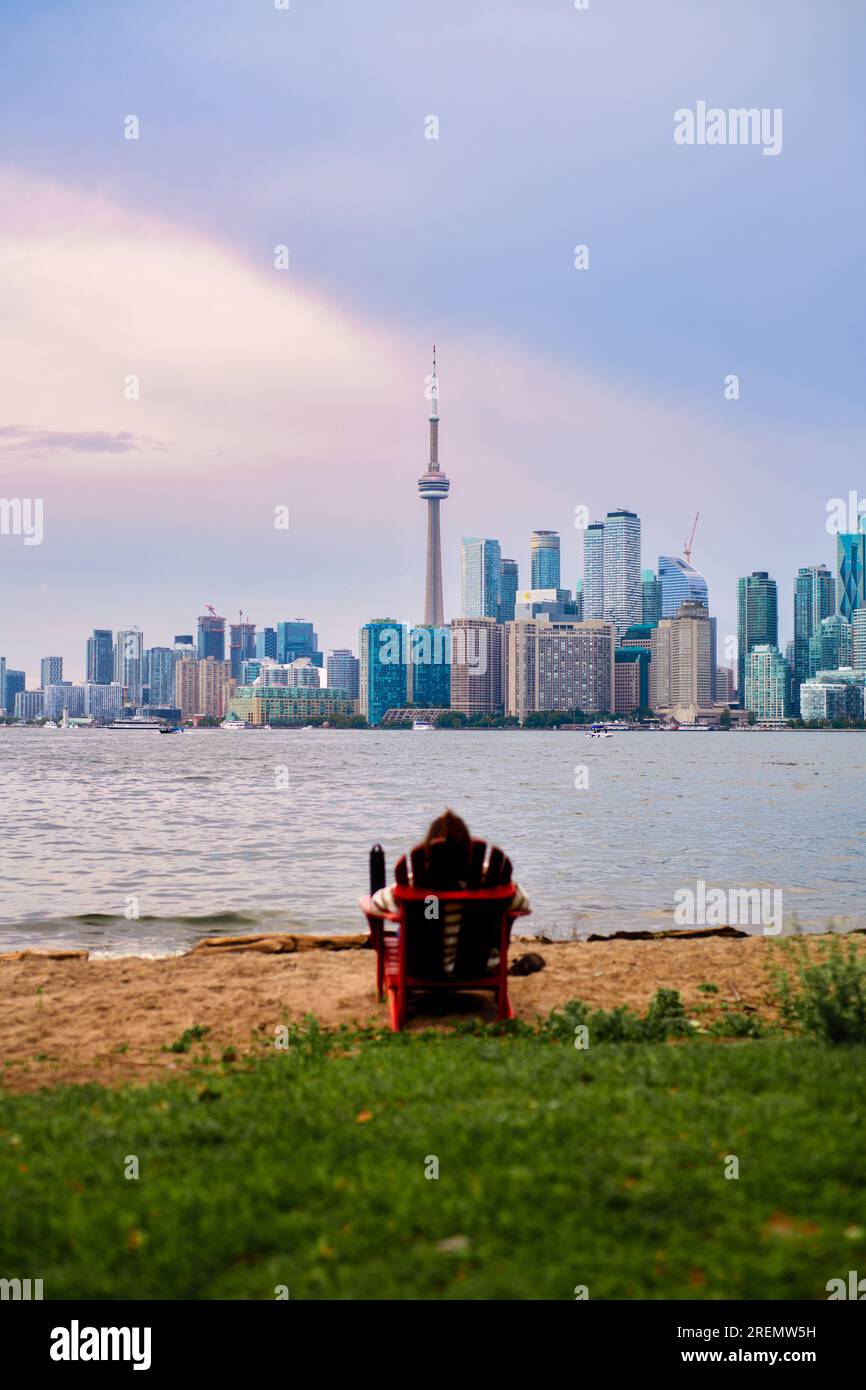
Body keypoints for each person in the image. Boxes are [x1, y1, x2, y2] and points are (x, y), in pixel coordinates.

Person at [371, 810, 529, 974]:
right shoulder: (488, 883)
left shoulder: (414, 884)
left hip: (422, 965)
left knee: (419, 919)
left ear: (428, 849)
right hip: (477, 965)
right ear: (468, 850)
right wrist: (497, 880)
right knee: (478, 920)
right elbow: (523, 904)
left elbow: (375, 903)